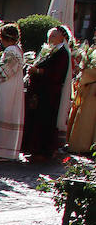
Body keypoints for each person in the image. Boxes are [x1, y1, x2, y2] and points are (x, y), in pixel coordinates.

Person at [21, 24, 73, 161]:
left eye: (54, 35)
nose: (51, 38)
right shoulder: (50, 51)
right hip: (40, 92)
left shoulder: (62, 53)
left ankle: (43, 151)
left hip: (49, 94)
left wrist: (37, 71)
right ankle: (34, 149)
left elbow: (57, 74)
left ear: (63, 38)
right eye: (50, 35)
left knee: (45, 122)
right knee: (37, 120)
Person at [0, 23, 25, 161]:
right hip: (11, 87)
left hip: (8, 88)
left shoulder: (11, 51)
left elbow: (3, 73)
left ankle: (1, 151)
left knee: (4, 113)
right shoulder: (17, 50)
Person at [69, 42, 96, 155]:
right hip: (88, 88)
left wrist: (86, 72)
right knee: (85, 116)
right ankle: (82, 144)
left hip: (93, 87)